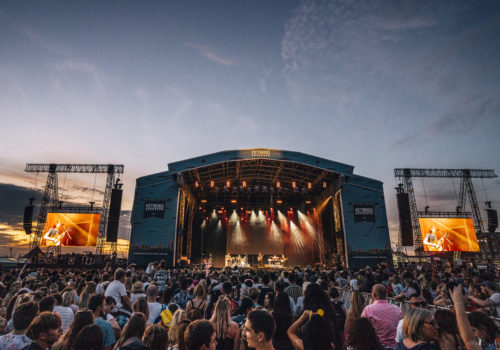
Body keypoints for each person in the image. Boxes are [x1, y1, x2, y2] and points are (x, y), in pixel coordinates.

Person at [361, 284, 402, 349]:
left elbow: (361, 328)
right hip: (394, 346)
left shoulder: (368, 309)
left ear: (373, 294)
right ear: (386, 294)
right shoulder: (397, 309)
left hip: (374, 345)